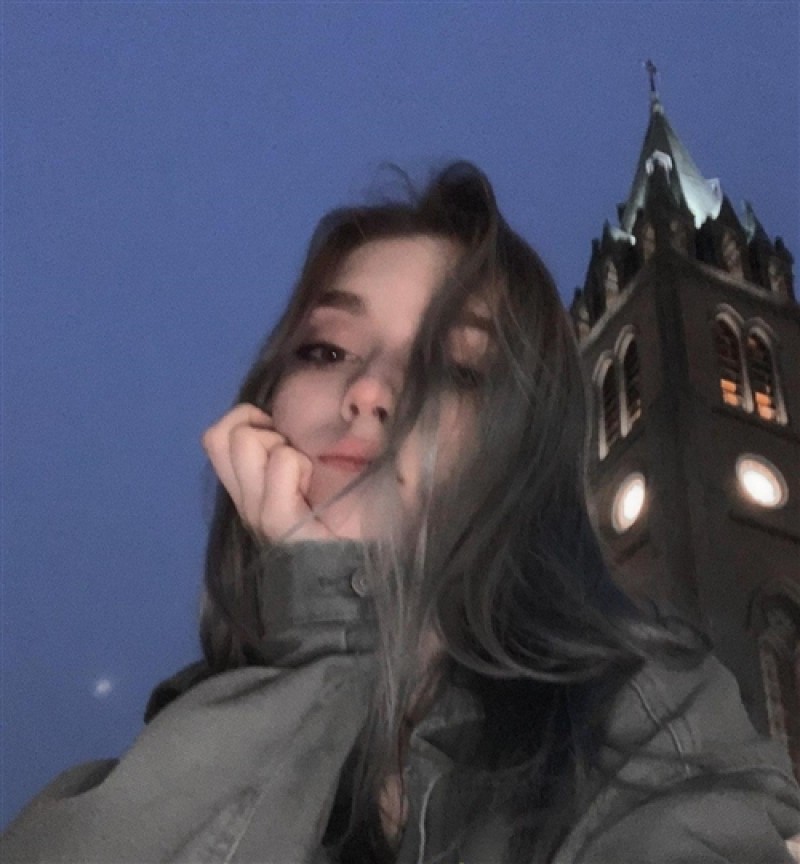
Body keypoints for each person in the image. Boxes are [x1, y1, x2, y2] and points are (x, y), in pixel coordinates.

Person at [3, 162, 799, 863]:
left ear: (521, 458)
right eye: (327, 350)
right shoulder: (195, 729)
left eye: (457, 367)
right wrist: (318, 636)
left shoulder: (647, 722)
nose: (371, 391)